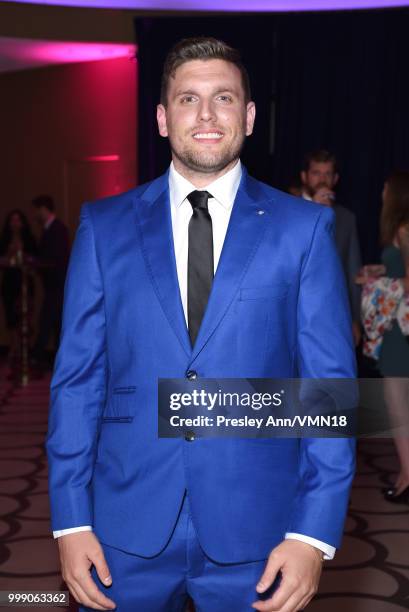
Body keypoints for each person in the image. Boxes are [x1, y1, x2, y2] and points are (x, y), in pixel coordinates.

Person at [47, 38, 356, 612]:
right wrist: (70, 522)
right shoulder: (103, 226)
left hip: (261, 531)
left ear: (249, 116)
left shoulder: (304, 230)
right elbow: (77, 382)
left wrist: (312, 534)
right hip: (120, 527)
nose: (208, 115)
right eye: (189, 99)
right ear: (163, 119)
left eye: (224, 98)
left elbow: (329, 391)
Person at [358, 172, 409, 503]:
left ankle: (407, 476)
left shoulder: (404, 229)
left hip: (397, 334)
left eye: (385, 189)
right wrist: (377, 272)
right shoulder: (399, 232)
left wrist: (374, 287)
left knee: (397, 406)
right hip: (396, 330)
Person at [300, 149, 362, 347]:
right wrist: (313, 211)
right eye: (316, 173)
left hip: (333, 315)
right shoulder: (287, 210)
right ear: (305, 176)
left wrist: (355, 319)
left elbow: (352, 271)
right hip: (294, 310)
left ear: (335, 179)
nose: (322, 180)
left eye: (327, 174)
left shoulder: (346, 218)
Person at [31, 195, 70, 368]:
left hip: (57, 286)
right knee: (54, 325)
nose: (35, 214)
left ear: (43, 209)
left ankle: (37, 360)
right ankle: (54, 362)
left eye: (37, 210)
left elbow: (58, 259)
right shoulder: (50, 229)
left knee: (47, 323)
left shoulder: (57, 229)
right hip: (54, 287)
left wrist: (38, 263)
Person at [0, 209, 37, 371]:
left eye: (18, 220)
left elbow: (36, 259)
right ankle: (14, 349)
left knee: (26, 316)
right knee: (11, 318)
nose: (15, 223)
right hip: (9, 282)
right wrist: (9, 253)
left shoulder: (29, 239)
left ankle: (24, 351)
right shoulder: (4, 240)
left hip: (25, 283)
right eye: (12, 220)